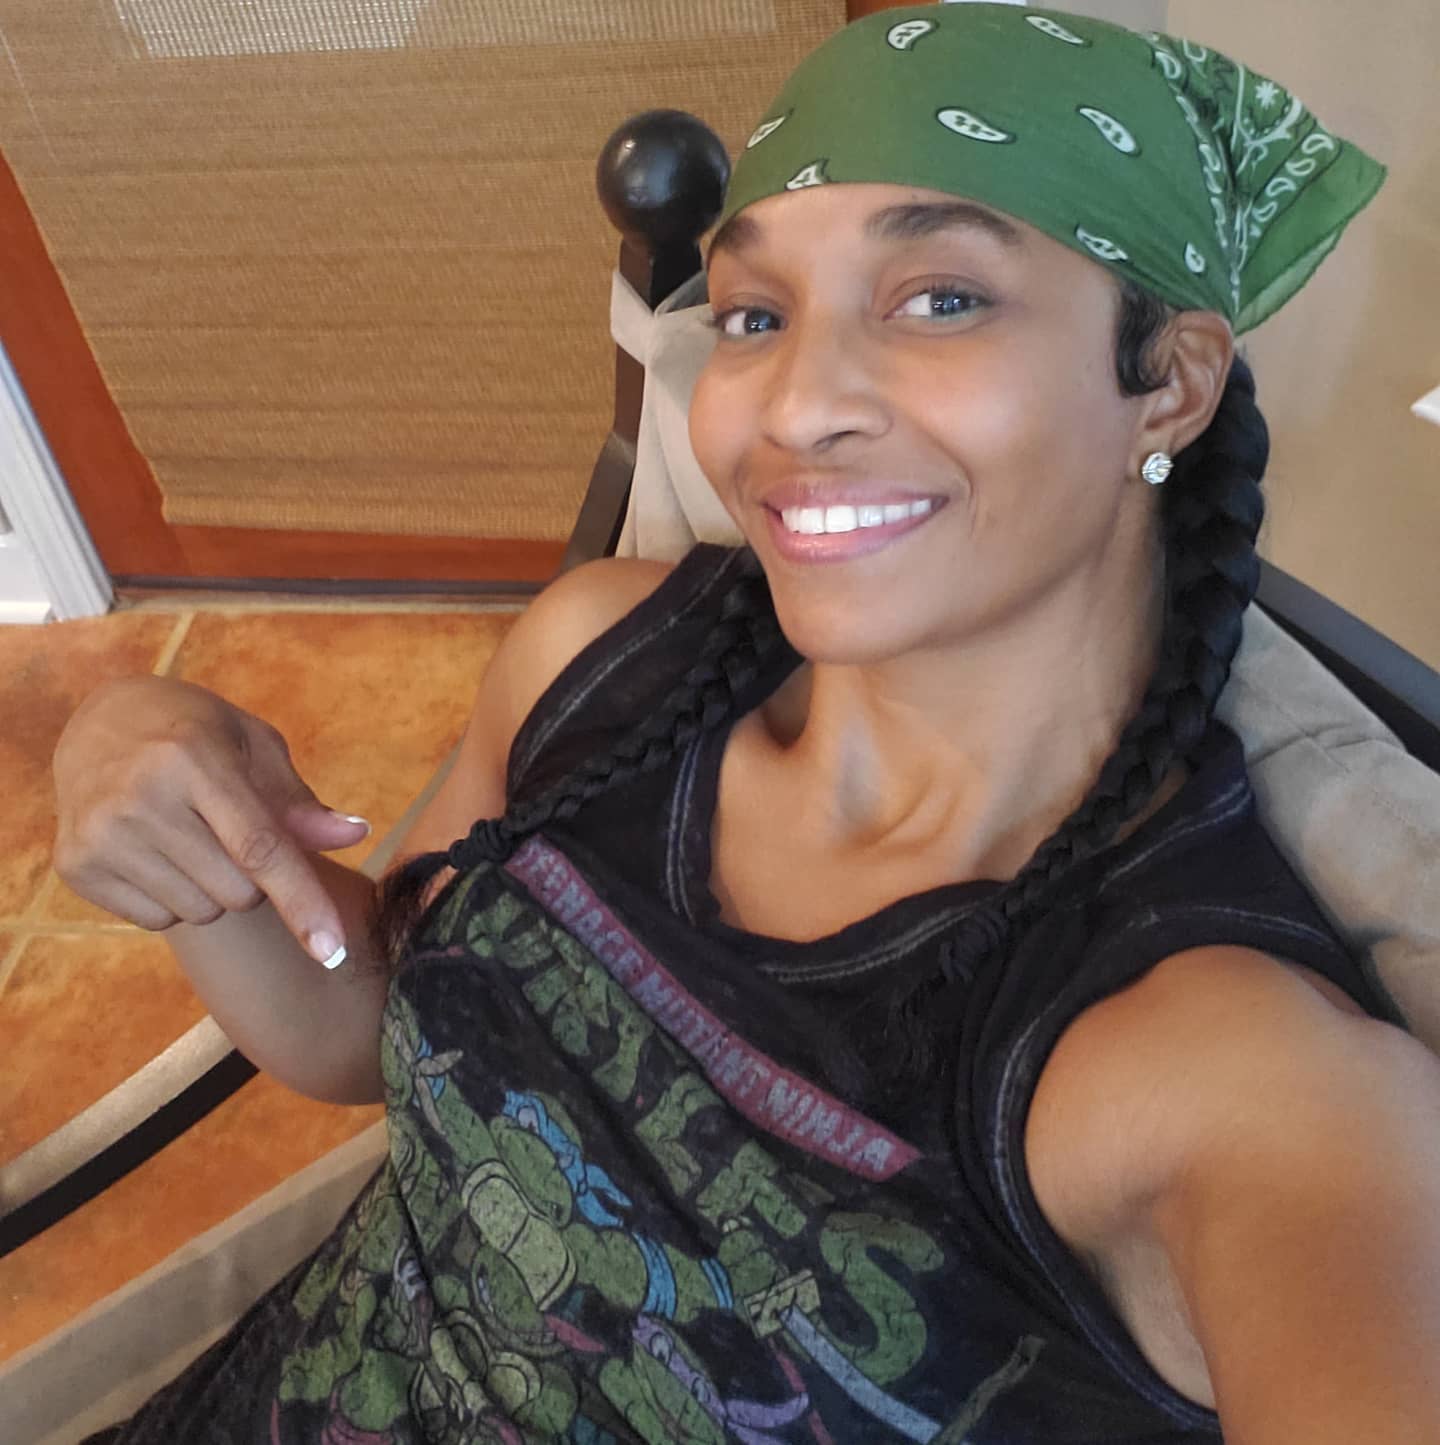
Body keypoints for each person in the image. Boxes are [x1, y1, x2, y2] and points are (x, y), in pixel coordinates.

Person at [52, 5, 1440, 1442]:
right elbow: (362, 1036)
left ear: (1171, 382)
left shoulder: (1237, 1078)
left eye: (941, 299)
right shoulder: (601, 657)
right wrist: (175, 804)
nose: (796, 404)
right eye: (755, 316)